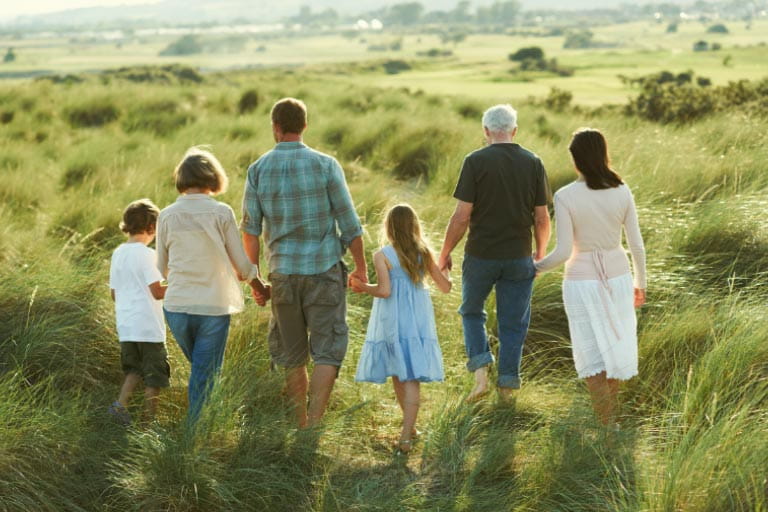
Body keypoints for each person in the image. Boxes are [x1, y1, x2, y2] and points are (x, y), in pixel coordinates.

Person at [241, 98, 366, 428]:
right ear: (305, 126)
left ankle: (300, 421)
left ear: (276, 128)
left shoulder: (257, 170)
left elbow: (250, 232)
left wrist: (255, 280)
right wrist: (361, 267)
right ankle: (315, 420)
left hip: (282, 275)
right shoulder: (326, 165)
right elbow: (350, 224)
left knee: (292, 353)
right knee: (327, 350)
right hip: (324, 271)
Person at [438, 104, 551, 402]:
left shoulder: (475, 161)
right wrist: (539, 254)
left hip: (480, 255)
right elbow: (542, 218)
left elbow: (461, 216)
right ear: (514, 131)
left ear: (486, 131)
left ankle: (480, 375)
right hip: (519, 256)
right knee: (513, 323)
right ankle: (507, 391)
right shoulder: (533, 162)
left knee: (472, 312)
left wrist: (445, 252)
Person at [534, 128, 646, 426]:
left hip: (581, 283)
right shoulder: (622, 190)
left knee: (591, 352)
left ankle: (606, 424)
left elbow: (562, 251)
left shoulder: (565, 196)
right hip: (619, 278)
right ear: (603, 154)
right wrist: (641, 283)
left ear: (576, 159)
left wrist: (534, 269)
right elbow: (636, 243)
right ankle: (612, 421)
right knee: (616, 348)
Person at [156, 147, 270, 422]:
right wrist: (259, 286)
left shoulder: (167, 215)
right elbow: (242, 266)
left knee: (201, 371)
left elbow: (161, 267)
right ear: (213, 177)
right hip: (212, 307)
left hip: (177, 307)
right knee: (205, 374)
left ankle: (205, 426)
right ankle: (196, 437)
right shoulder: (221, 212)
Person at [352, 204, 452, 454]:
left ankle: (406, 437)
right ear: (414, 226)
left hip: (394, 317)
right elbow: (446, 287)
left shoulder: (383, 254)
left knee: (401, 371)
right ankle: (411, 429)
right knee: (405, 372)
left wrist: (362, 287)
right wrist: (447, 269)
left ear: (389, 228)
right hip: (418, 317)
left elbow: (385, 291)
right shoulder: (424, 252)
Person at [108, 199, 168, 426]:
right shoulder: (147, 254)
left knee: (134, 370)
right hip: (148, 327)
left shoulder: (118, 253)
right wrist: (181, 285)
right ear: (152, 227)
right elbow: (157, 292)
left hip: (126, 326)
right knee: (155, 376)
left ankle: (120, 407)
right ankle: (148, 423)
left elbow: (114, 293)